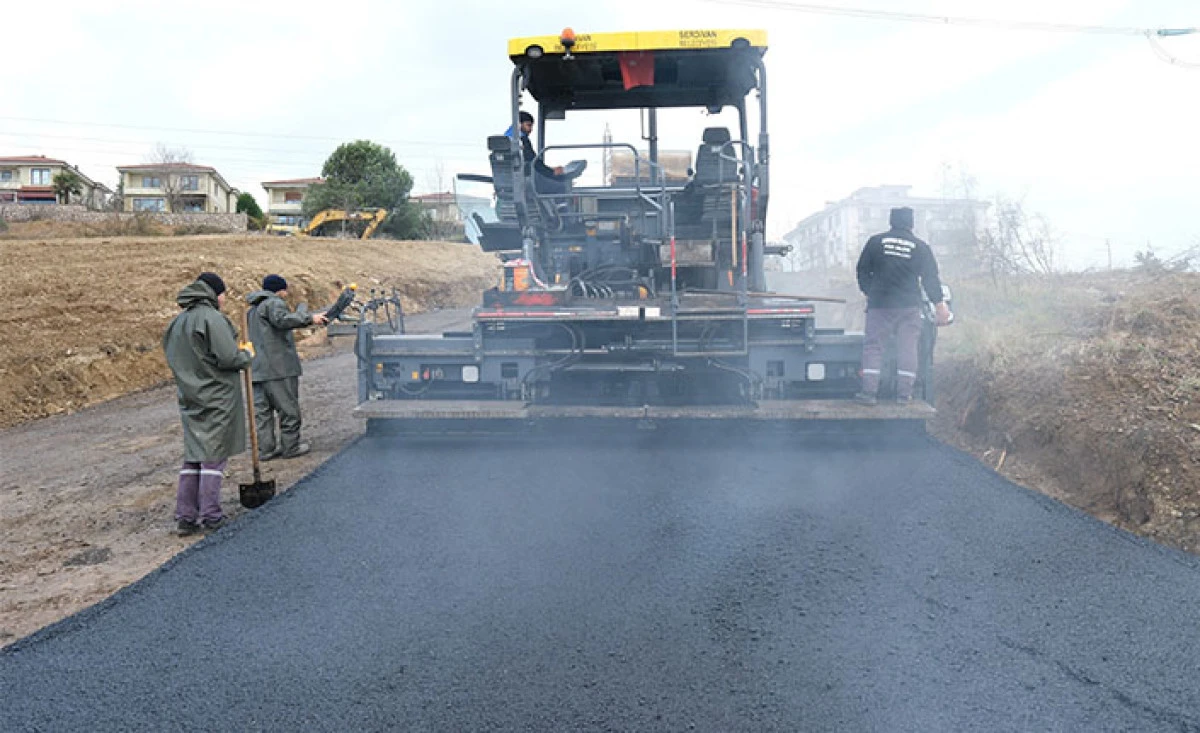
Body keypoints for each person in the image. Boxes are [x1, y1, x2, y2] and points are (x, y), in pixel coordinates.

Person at [162, 272, 254, 536]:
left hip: (190, 396)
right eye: (222, 293)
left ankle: (185, 516)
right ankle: (211, 515)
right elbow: (227, 357)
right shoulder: (211, 319)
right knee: (213, 457)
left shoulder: (177, 323)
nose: (224, 299)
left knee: (194, 455)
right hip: (216, 397)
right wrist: (245, 354)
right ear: (213, 293)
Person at [854, 207, 952, 405]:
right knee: (907, 348)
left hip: (880, 306)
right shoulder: (920, 247)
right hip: (908, 307)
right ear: (911, 223)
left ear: (891, 221)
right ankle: (904, 395)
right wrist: (940, 305)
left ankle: (869, 394)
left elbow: (862, 270)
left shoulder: (875, 242)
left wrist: (869, 292)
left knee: (874, 347)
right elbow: (930, 279)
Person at [245, 274, 327, 461]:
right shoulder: (273, 304)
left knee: (263, 414)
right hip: (279, 369)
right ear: (279, 290)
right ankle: (291, 447)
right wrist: (308, 318)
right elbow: (282, 320)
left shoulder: (252, 310)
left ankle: (266, 450)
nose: (286, 293)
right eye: (285, 290)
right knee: (288, 410)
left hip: (257, 370)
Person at [510, 110, 567, 194]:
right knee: (561, 187)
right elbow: (534, 163)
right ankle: (562, 207)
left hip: (512, 182)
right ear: (519, 124)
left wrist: (549, 168)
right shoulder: (522, 140)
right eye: (528, 125)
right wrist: (552, 172)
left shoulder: (507, 140)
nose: (531, 129)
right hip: (526, 181)